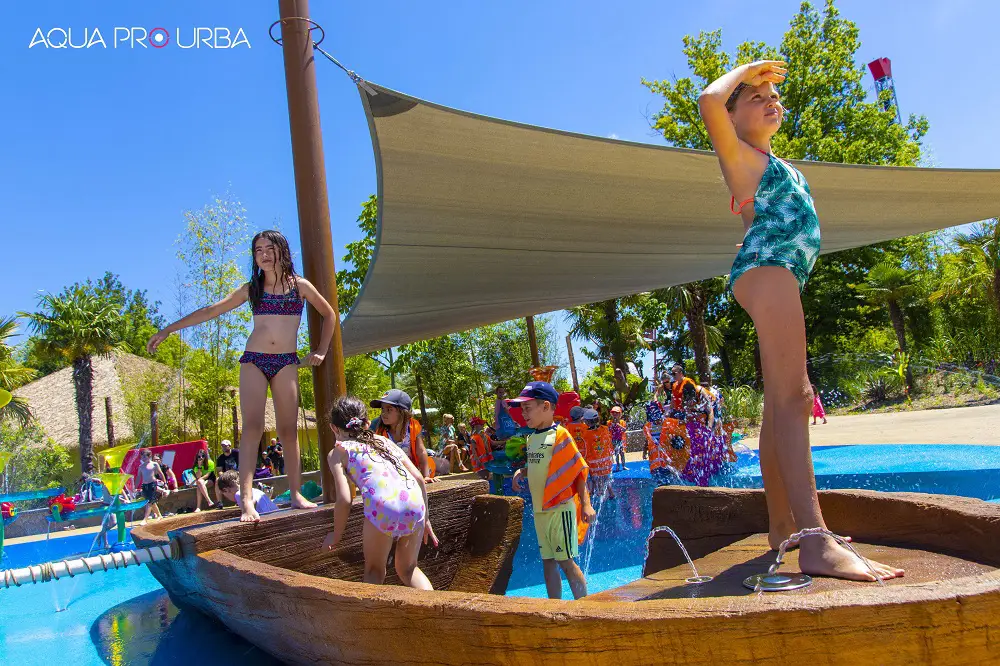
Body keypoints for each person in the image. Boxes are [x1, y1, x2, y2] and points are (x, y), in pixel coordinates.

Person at [699, 60, 901, 581]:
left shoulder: (776, 164)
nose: (769, 99)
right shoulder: (740, 158)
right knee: (795, 395)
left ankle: (781, 526)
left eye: (773, 94)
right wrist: (743, 68)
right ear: (734, 114)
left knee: (778, 404)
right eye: (754, 96)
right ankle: (816, 541)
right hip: (769, 269)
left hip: (776, 269)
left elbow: (757, 214)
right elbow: (707, 102)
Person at [148, 229, 335, 523]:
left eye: (269, 248)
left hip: (286, 361)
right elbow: (213, 310)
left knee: (288, 431)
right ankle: (246, 500)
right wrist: (169, 328)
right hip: (254, 361)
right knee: (252, 428)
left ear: (282, 250)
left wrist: (321, 351)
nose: (263, 254)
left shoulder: (300, 286)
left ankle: (297, 494)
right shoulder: (252, 289)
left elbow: (329, 314)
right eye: (257, 249)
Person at [322, 395, 438, 589]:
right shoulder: (384, 441)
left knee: (375, 571)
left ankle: (371, 619)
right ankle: (435, 612)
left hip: (384, 508)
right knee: (409, 569)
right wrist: (425, 518)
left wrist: (336, 534)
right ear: (367, 423)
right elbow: (418, 478)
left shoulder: (338, 451)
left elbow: (344, 498)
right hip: (415, 504)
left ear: (334, 428)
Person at [509, 382, 595, 599]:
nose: (523, 413)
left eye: (527, 408)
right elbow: (542, 467)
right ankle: (554, 606)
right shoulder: (532, 438)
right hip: (540, 510)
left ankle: (584, 605)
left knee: (565, 560)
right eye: (522, 409)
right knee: (548, 561)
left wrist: (586, 504)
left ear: (546, 406)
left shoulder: (561, 435)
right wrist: (523, 471)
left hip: (559, 509)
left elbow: (578, 470)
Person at [372, 389, 437, 482]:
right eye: (382, 409)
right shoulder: (380, 431)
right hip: (392, 474)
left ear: (402, 412)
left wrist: (425, 476)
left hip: (414, 469)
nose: (383, 413)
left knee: (431, 462)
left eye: (389, 409)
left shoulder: (413, 426)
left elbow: (421, 452)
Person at [580, 408, 615, 500]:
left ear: (587, 422)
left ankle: (597, 491)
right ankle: (611, 492)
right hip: (606, 459)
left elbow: (586, 449)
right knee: (606, 477)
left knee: (595, 477)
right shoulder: (605, 429)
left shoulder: (585, 434)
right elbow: (609, 443)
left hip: (594, 462)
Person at [137, 448, 167, 525]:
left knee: (149, 502)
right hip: (145, 485)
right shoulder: (141, 466)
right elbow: (138, 477)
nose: (142, 458)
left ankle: (145, 519)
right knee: (152, 501)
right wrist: (135, 487)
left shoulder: (154, 464)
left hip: (152, 484)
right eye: (142, 457)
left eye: (144, 457)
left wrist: (165, 483)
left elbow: (161, 474)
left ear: (149, 456)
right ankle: (159, 515)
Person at [191, 448, 217, 512]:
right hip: (201, 480)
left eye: (203, 456)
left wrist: (198, 481)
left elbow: (207, 476)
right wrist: (199, 466)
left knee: (199, 485)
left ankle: (198, 507)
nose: (201, 458)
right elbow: (198, 476)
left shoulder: (210, 463)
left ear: (206, 456)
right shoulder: (196, 466)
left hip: (210, 479)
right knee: (200, 484)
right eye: (199, 456)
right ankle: (209, 501)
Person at [215, 439, 240, 505]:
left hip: (237, 473)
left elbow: (244, 463)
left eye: (225, 446)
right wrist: (224, 476)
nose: (224, 447)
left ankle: (240, 499)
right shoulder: (220, 458)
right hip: (226, 476)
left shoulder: (237, 453)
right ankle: (219, 502)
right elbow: (219, 470)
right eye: (222, 446)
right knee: (217, 480)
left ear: (229, 446)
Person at [608, 406, 627, 472]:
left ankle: (624, 465)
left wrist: (618, 424)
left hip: (620, 439)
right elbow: (608, 430)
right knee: (616, 453)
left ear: (620, 414)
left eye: (616, 413)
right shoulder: (609, 422)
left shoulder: (622, 422)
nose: (615, 415)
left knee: (622, 453)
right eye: (613, 413)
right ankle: (618, 466)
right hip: (614, 440)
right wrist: (612, 425)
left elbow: (624, 430)